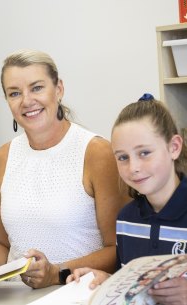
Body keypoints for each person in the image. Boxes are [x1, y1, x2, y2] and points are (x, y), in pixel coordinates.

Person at [0, 49, 130, 288]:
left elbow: (118, 248)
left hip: (76, 294)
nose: (27, 101)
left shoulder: (97, 152)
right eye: (14, 93)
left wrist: (55, 273)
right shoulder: (2, 158)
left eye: (37, 88)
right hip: (16, 297)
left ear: (58, 89)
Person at [68, 94, 187, 304]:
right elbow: (136, 288)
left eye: (144, 153)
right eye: (123, 157)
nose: (133, 168)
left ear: (174, 147)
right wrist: (107, 283)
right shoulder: (126, 219)